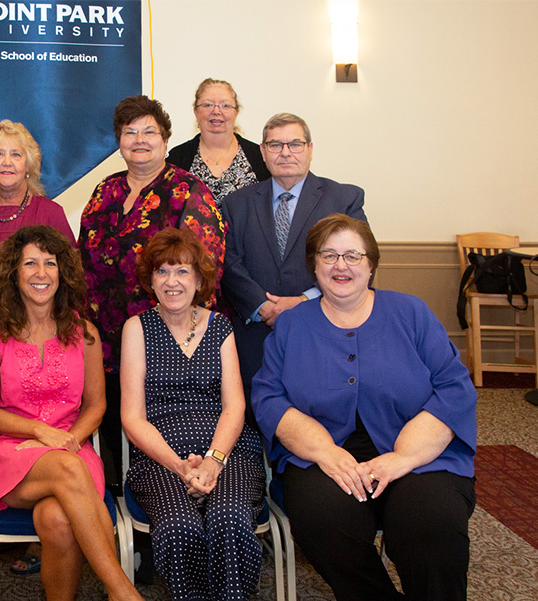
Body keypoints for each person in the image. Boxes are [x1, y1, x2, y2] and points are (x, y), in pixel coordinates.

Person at [252, 214, 477, 601]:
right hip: (323, 456)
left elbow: (455, 386)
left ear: (371, 263)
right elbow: (268, 397)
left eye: (353, 256)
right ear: (314, 264)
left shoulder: (411, 313)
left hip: (419, 451)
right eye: (329, 255)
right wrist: (324, 452)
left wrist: (403, 457)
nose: (341, 265)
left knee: (430, 523)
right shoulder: (292, 326)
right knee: (324, 521)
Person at [0, 225, 143, 601]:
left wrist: (70, 440)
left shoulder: (86, 334)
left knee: (58, 520)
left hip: (72, 445)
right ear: (13, 274)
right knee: (69, 469)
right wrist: (39, 432)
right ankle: (122, 592)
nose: (41, 273)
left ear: (62, 273)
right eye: (30, 263)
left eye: (50, 263)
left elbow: (97, 404)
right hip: (9, 451)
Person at [79, 94, 225, 487]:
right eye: (130, 132)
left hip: (166, 344)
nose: (139, 139)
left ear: (165, 140)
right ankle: (129, 515)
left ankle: (172, 508)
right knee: (115, 438)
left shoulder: (189, 192)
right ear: (119, 141)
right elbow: (81, 265)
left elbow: (206, 272)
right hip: (106, 344)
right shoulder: (102, 192)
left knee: (164, 436)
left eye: (149, 132)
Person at [120, 228, 265, 601]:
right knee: (179, 526)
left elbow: (235, 406)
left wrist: (214, 462)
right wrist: (181, 466)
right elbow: (133, 417)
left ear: (199, 279)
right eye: (162, 271)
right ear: (150, 279)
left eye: (182, 271)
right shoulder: (136, 328)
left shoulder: (220, 327)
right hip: (159, 459)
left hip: (228, 452)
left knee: (230, 521)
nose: (172, 282)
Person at [221, 112, 367, 414]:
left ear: (310, 149)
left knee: (320, 418)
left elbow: (360, 262)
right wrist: (262, 306)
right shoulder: (236, 203)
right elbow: (228, 261)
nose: (285, 152)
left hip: (324, 330)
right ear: (262, 151)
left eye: (295, 144)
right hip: (255, 337)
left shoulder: (344, 198)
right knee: (255, 418)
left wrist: (304, 300)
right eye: (275, 145)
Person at [0, 119, 74, 358]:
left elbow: (72, 281)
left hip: (41, 342)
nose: (7, 162)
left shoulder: (51, 213)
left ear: (28, 164)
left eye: (16, 155)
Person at [167, 78, 270, 205]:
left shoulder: (259, 156)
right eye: (207, 105)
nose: (216, 111)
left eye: (225, 105)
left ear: (236, 112)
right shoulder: (177, 158)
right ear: (196, 111)